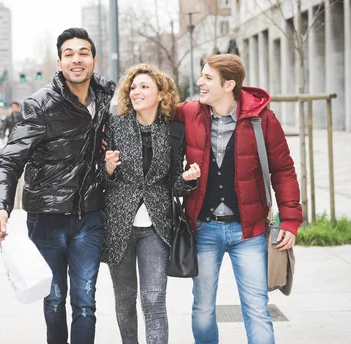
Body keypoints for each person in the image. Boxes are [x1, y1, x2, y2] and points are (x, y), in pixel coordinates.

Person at [0, 27, 115, 344]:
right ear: (59, 63)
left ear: (94, 61)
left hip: (91, 217)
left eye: (83, 53)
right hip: (46, 218)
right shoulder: (40, 104)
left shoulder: (108, 101)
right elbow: (10, 160)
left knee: (85, 303)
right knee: (55, 299)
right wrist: (0, 207)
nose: (77, 60)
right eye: (69, 54)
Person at [176, 54, 303, 344]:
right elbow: (150, 116)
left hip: (249, 231)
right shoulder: (189, 113)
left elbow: (283, 170)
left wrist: (291, 219)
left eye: (208, 78)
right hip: (204, 229)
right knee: (203, 309)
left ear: (229, 84)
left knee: (256, 308)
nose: (200, 82)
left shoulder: (262, 120)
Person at [102, 64, 201, 344]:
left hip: (156, 227)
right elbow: (100, 182)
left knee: (154, 299)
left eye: (145, 86)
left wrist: (187, 179)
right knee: (124, 298)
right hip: (118, 225)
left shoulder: (173, 131)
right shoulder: (115, 125)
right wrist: (107, 169)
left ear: (160, 94)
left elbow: (174, 186)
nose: (137, 91)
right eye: (133, 87)